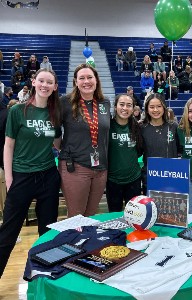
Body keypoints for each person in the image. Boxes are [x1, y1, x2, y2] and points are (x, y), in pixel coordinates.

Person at [0, 69, 61, 278]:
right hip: (21, 176)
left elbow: (58, 143)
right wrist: (9, 178)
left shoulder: (55, 113)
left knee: (47, 234)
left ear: (54, 87)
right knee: (7, 234)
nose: (45, 85)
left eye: (49, 82)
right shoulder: (17, 111)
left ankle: (43, 279)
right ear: (34, 82)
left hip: (48, 177)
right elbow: (8, 146)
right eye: (41, 81)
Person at [57, 63, 110, 217]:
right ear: (75, 81)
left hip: (101, 168)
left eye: (89, 77)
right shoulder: (65, 102)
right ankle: (72, 242)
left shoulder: (104, 103)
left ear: (96, 80)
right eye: (82, 78)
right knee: (76, 217)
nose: (86, 81)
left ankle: (86, 242)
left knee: (91, 215)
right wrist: (66, 149)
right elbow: (54, 133)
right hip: (75, 167)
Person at [106, 94, 143, 212]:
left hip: (134, 180)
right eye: (121, 104)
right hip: (112, 181)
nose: (125, 108)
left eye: (129, 105)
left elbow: (139, 151)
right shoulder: (108, 126)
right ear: (115, 106)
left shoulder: (136, 127)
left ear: (133, 109)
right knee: (114, 216)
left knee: (134, 217)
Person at [141, 93, 179, 194]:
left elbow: (180, 149)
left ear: (164, 108)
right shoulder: (142, 128)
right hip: (150, 178)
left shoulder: (173, 126)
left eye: (159, 106)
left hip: (172, 177)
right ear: (147, 109)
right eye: (152, 107)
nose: (155, 110)